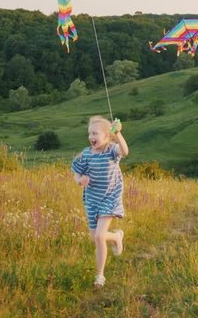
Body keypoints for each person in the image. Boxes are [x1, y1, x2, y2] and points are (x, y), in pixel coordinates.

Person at [71, 116, 129, 287]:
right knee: (96, 237)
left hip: (110, 197)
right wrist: (80, 180)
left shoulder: (111, 150)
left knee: (99, 236)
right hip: (92, 199)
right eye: (89, 133)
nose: (91, 137)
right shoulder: (87, 154)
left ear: (106, 136)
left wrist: (118, 134)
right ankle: (117, 237)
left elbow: (125, 151)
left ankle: (100, 276)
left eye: (95, 133)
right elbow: (76, 173)